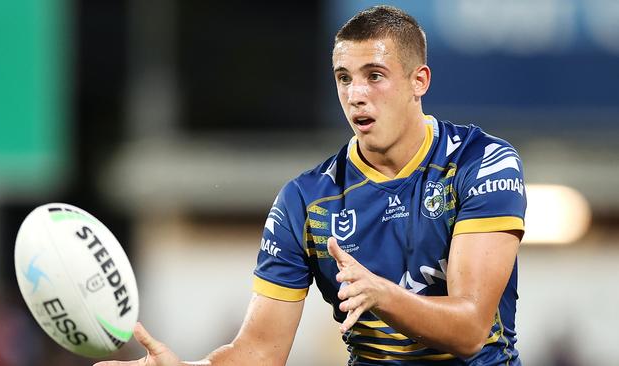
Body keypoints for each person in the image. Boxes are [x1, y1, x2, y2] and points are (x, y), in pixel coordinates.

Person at [96, 5, 526, 366]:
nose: (356, 94)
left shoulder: (480, 162)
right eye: (343, 77)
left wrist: (382, 294)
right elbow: (261, 350)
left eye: (374, 75)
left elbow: (470, 329)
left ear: (420, 81)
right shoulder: (307, 201)